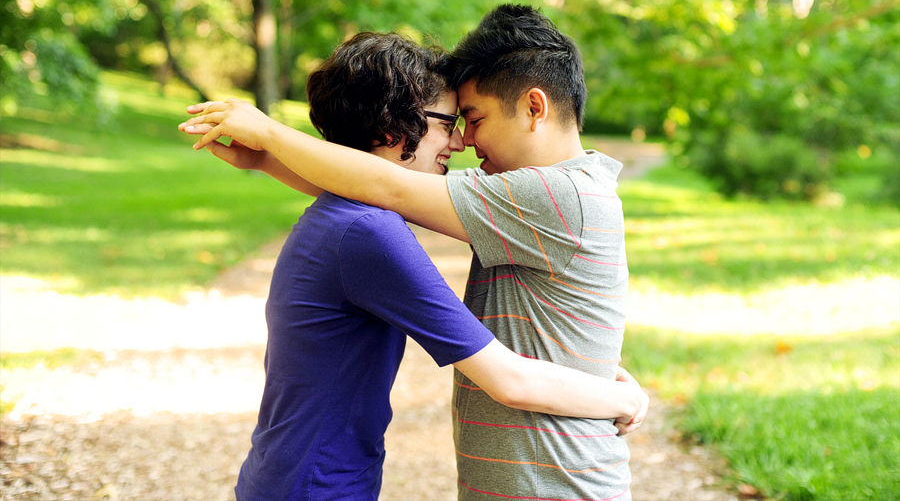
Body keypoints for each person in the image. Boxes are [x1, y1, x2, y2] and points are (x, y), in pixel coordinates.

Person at [182, 30, 647, 501]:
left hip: (295, 478)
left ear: (534, 107)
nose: (461, 141)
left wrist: (268, 152)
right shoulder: (368, 232)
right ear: (392, 127)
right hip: (318, 485)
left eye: (471, 118)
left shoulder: (349, 220)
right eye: (451, 122)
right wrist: (622, 398)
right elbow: (508, 377)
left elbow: (381, 185)